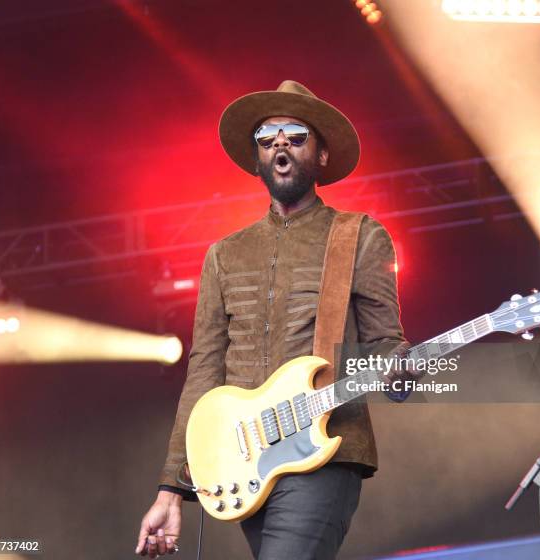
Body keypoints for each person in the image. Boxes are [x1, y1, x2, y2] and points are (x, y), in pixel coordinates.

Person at [136, 80, 410, 559]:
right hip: (247, 464)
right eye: (267, 137)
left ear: (322, 155)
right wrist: (171, 489)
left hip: (325, 451)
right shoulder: (224, 255)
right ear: (258, 158)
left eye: (295, 134)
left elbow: (386, 346)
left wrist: (406, 371)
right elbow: (203, 372)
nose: (279, 142)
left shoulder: (359, 236)